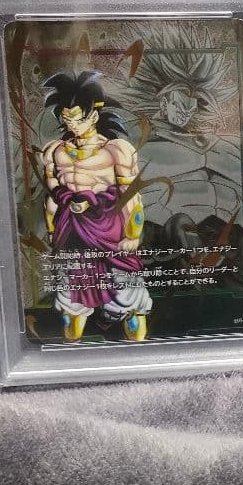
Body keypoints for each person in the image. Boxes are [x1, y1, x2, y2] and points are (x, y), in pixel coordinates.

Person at [41, 70, 151, 342]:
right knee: (70, 299)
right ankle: (71, 353)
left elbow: (131, 195)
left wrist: (133, 234)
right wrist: (52, 231)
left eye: (78, 119)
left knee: (129, 298)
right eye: (67, 119)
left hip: (109, 229)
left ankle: (139, 351)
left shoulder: (116, 150)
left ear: (93, 117)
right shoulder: (55, 151)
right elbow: (52, 196)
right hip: (71, 231)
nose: (72, 125)